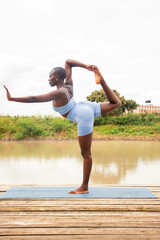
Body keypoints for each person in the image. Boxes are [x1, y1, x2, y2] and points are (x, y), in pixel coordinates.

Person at [4, 59, 121, 194]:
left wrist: (12, 99)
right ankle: (102, 81)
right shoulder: (69, 86)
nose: (48, 79)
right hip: (84, 106)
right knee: (116, 103)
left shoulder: (58, 93)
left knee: (86, 153)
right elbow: (68, 62)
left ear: (57, 77)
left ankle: (84, 187)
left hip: (82, 115)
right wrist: (86, 67)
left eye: (50, 76)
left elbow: (33, 99)